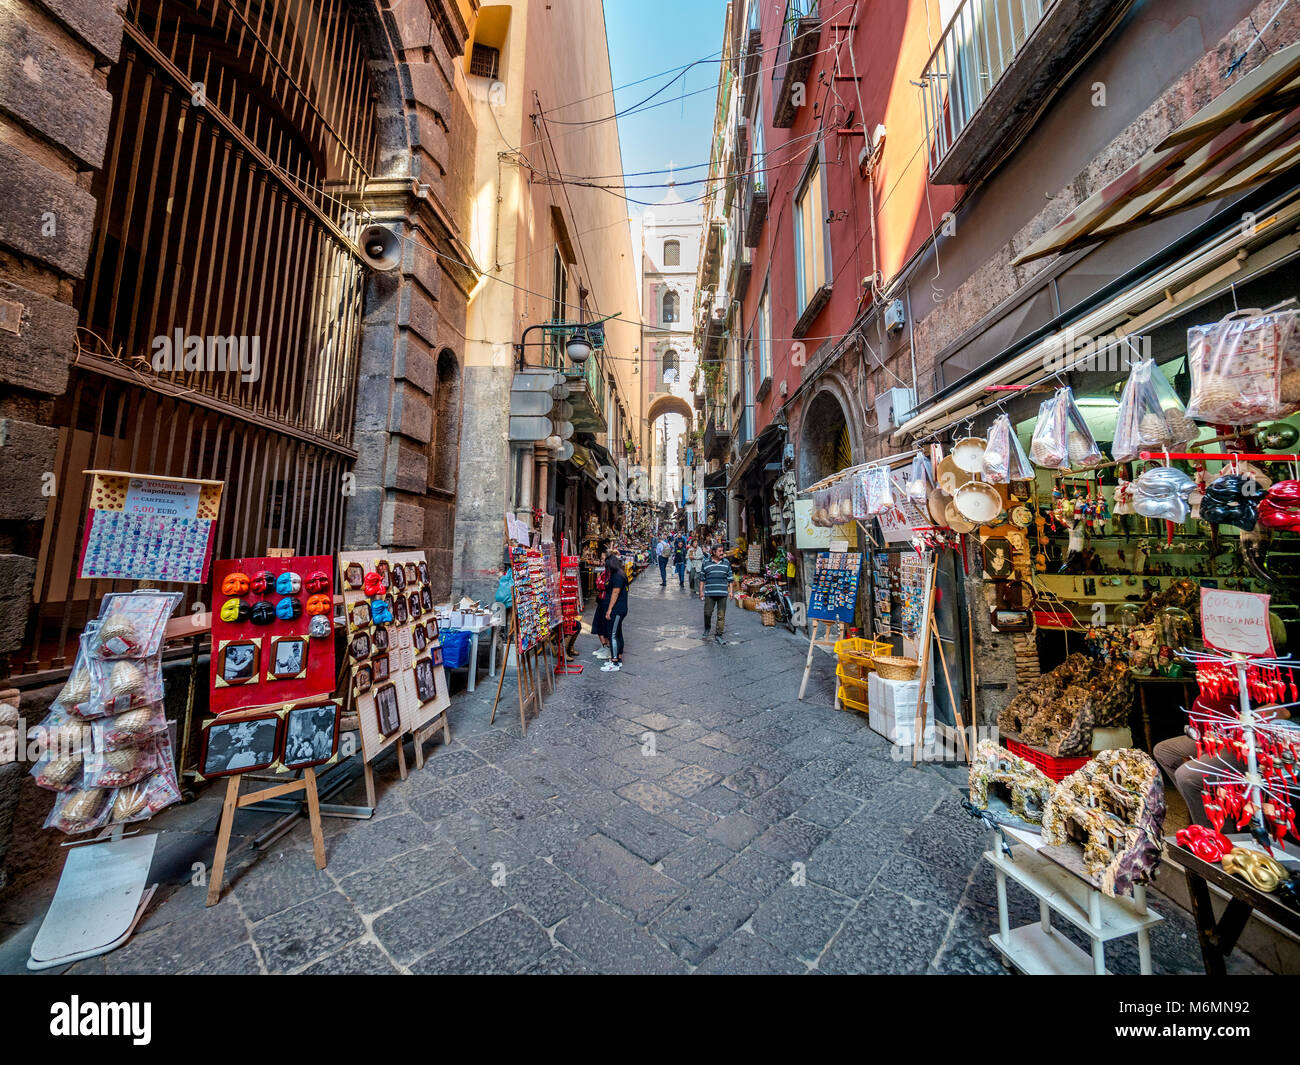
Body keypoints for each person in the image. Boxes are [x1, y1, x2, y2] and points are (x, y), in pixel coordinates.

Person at [1154, 704, 1296, 828]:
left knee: (1187, 775)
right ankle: (1205, 805)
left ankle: (1217, 834)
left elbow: (1282, 711)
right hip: (1212, 735)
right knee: (1165, 752)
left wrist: (1242, 726)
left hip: (1244, 742)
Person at [699, 541, 736, 645]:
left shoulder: (726, 563)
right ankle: (707, 628)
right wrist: (701, 591)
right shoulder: (706, 563)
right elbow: (702, 579)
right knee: (707, 613)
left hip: (722, 593)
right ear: (713, 552)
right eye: (719, 551)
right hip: (709, 593)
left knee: (721, 615)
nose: (722, 553)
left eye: (722, 551)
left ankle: (719, 634)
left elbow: (730, 579)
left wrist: (731, 592)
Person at [602, 553, 629, 671]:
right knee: (617, 633)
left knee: (613, 634)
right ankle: (618, 657)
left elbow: (615, 593)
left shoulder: (617, 576)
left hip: (617, 609)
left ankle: (614, 662)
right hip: (621, 608)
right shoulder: (621, 574)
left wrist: (609, 609)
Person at [591, 545, 611, 660]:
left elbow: (601, 584)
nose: (601, 561)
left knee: (603, 625)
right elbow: (599, 583)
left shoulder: (609, 573)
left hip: (605, 601)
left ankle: (607, 648)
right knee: (598, 625)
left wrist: (599, 582)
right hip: (601, 600)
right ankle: (604, 646)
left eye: (603, 559)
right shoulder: (605, 572)